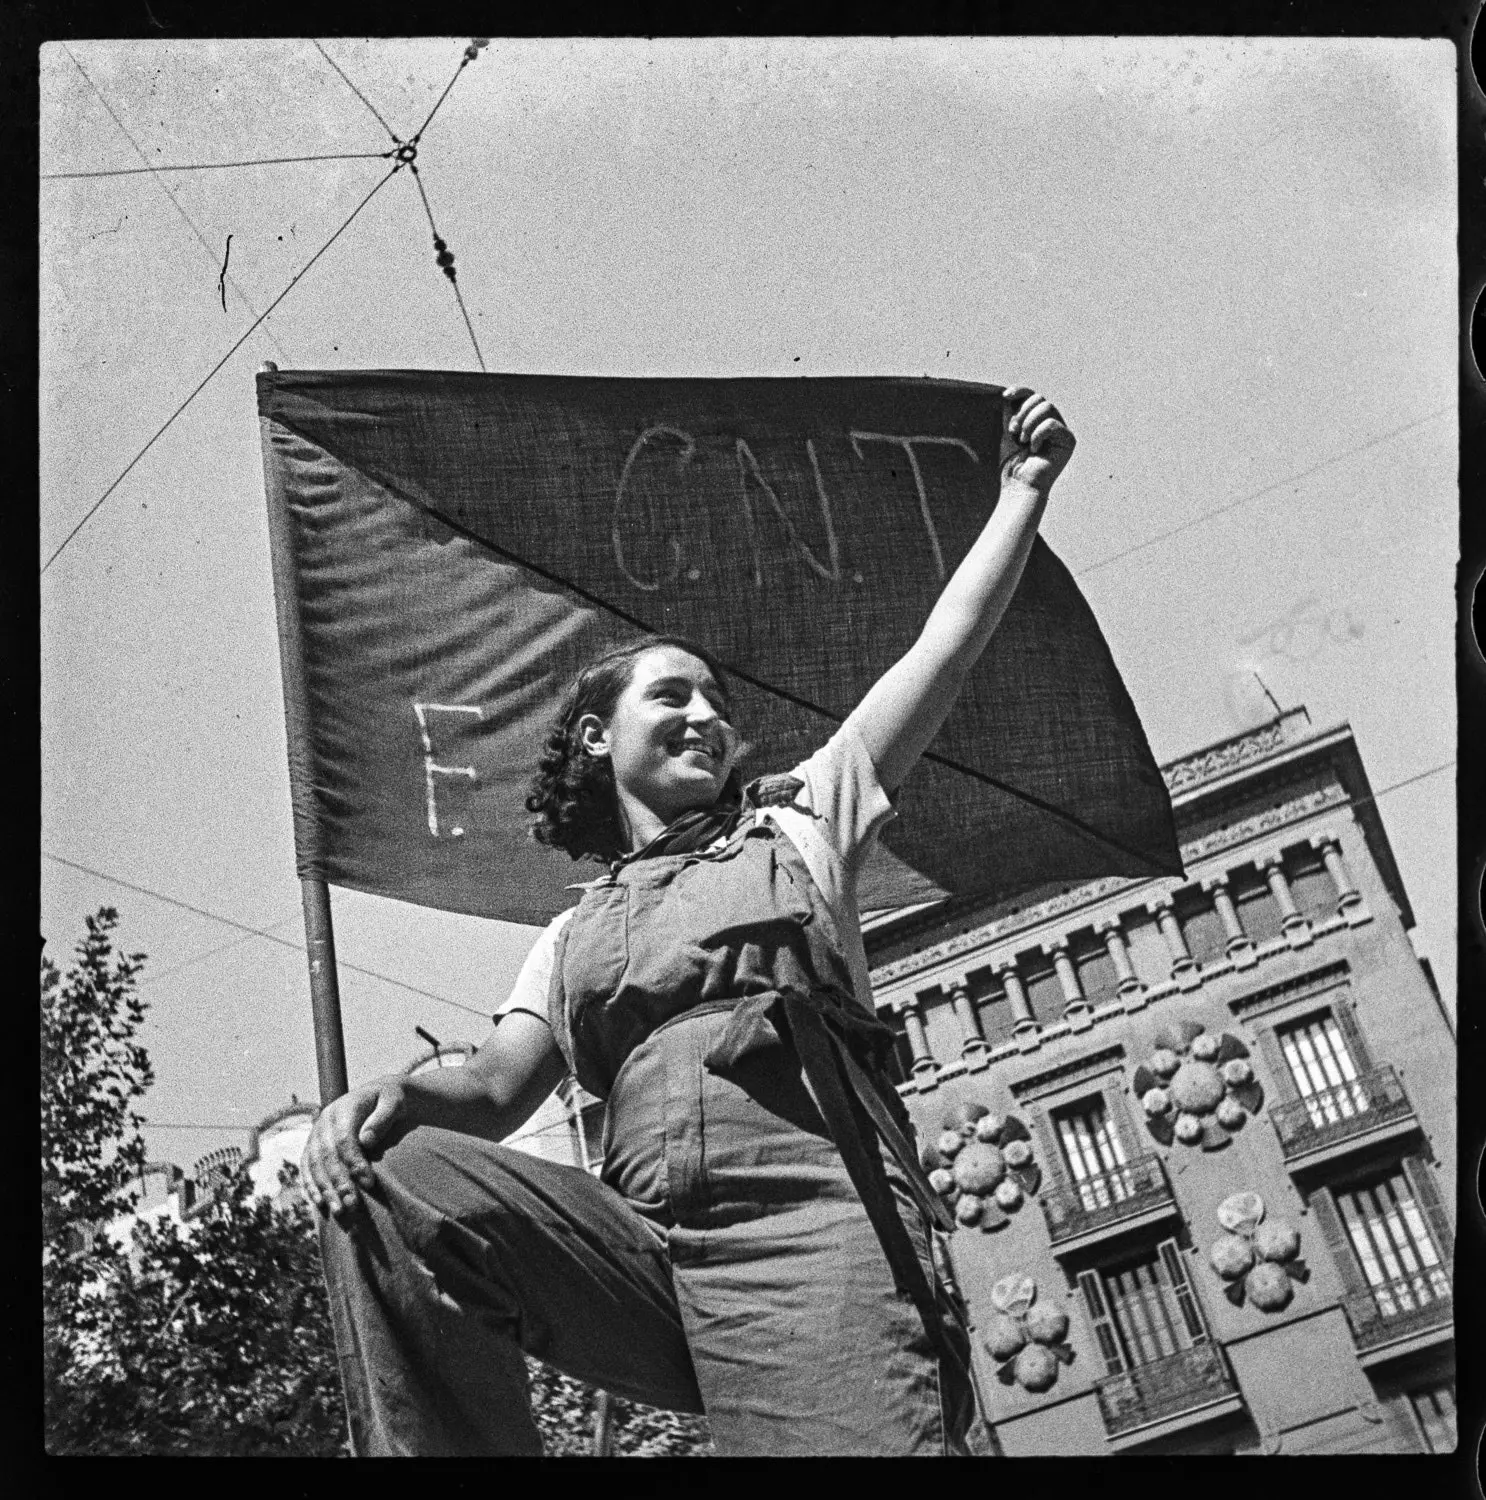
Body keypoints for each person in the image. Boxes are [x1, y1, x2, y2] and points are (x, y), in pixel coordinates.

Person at [301, 385, 1076, 1456]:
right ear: (593, 740)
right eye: (671, 697)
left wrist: (1021, 495)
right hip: (646, 1250)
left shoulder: (800, 823)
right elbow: (485, 1086)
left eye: (714, 701)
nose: (707, 716)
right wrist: (387, 1094)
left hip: (818, 1240)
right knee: (390, 1180)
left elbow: (938, 655)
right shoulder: (570, 937)